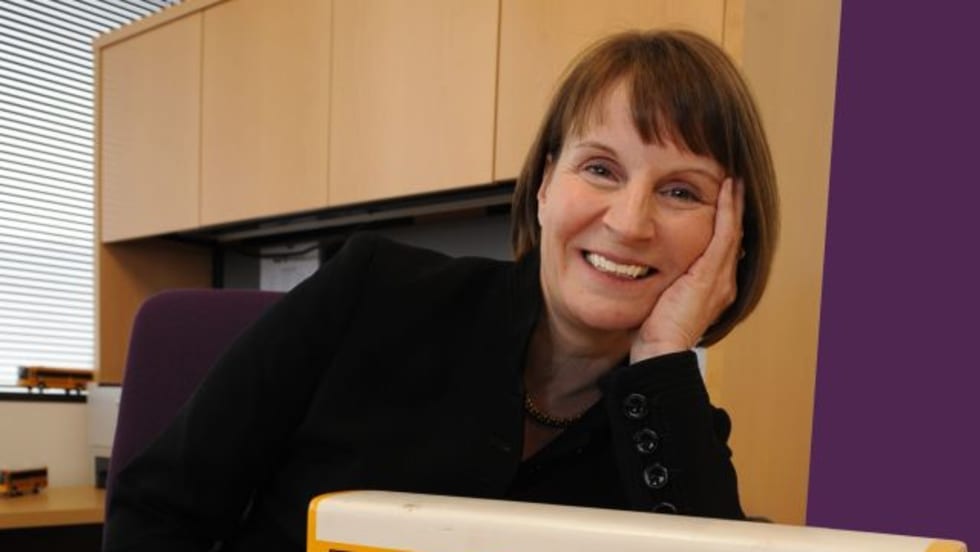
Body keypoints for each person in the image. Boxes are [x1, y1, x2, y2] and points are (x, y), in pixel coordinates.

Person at [104, 29, 778, 551]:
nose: (629, 223)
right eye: (600, 168)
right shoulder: (372, 291)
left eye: (681, 192)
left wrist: (662, 355)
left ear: (730, 237)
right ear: (546, 185)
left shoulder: (669, 430)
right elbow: (159, 511)